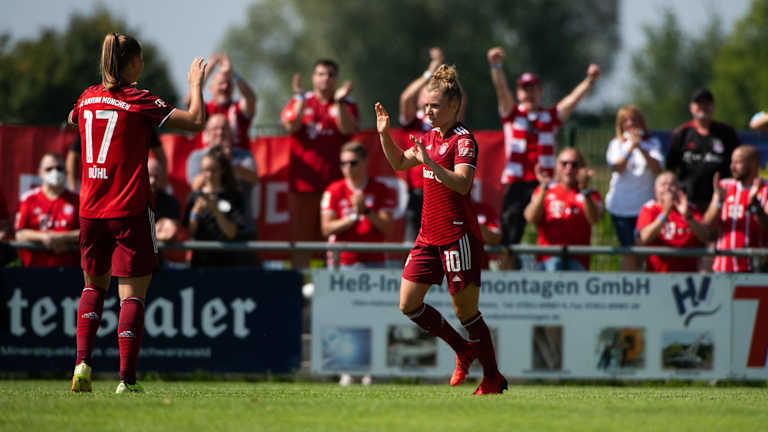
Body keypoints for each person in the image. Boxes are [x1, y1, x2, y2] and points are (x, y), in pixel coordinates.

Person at [67, 33, 207, 393]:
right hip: (128, 209)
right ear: (131, 63)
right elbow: (195, 120)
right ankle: (126, 381)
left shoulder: (87, 96)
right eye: (139, 60)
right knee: (131, 296)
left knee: (92, 288)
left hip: (91, 210)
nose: (142, 66)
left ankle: (82, 364)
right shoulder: (138, 100)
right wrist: (195, 84)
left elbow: (73, 117)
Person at [375, 64, 507, 395]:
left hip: (456, 236)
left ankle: (492, 377)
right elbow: (399, 162)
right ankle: (462, 350)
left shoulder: (463, 141)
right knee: (408, 304)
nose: (428, 111)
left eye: (434, 106)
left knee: (466, 312)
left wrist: (430, 163)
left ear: (454, 106)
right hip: (427, 236)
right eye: (426, 105)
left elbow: (462, 184)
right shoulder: (428, 138)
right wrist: (384, 133)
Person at [487, 46, 600, 269]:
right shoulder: (512, 114)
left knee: (555, 227)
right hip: (517, 182)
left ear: (540, 92)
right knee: (509, 236)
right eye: (524, 89)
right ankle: (506, 278)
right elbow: (501, 91)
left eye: (533, 89)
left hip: (545, 184)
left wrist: (589, 81)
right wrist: (496, 66)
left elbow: (571, 101)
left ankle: (552, 268)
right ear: (519, 93)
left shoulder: (550, 116)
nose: (529, 94)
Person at [281, 59, 359, 269]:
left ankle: (331, 287)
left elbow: (347, 129)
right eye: (321, 74)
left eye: (331, 74)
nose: (326, 78)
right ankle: (298, 288)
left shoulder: (346, 103)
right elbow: (291, 125)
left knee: (333, 241)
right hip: (303, 187)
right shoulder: (300, 100)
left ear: (336, 79)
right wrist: (300, 99)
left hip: (336, 187)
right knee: (301, 243)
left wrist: (340, 103)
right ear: (313, 77)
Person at [605, 105, 664, 270]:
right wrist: (630, 148)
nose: (630, 123)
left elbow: (657, 168)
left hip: (644, 207)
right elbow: (617, 167)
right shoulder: (616, 144)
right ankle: (629, 282)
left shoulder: (652, 143)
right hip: (621, 208)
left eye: (634, 119)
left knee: (644, 249)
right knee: (628, 251)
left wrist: (641, 148)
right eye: (625, 121)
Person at [524, 148, 603, 271]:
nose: (569, 168)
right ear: (557, 166)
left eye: (574, 164)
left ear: (582, 168)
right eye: (564, 163)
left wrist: (585, 190)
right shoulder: (545, 190)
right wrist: (544, 187)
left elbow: (594, 219)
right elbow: (531, 218)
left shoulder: (591, 194)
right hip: (547, 260)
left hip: (578, 261)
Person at [321, 141, 396, 268]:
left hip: (374, 260)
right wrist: (353, 216)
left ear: (365, 162)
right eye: (343, 163)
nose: (348, 167)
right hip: (342, 261)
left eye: (353, 163)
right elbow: (326, 229)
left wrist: (366, 211)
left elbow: (387, 227)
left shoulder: (381, 189)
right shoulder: (333, 190)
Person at [666, 88, 740, 211]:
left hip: (720, 200)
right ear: (691, 107)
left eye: (707, 103)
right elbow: (671, 168)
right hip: (688, 201)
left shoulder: (726, 132)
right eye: (699, 103)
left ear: (713, 107)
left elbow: (737, 164)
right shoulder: (682, 133)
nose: (703, 107)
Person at [186, 113, 259, 236]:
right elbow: (195, 186)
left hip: (242, 228)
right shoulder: (196, 157)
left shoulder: (244, 156)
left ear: (231, 132)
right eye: (215, 129)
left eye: (224, 128)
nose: (220, 133)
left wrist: (229, 161)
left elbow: (254, 179)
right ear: (207, 133)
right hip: (207, 231)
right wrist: (215, 162)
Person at [399, 47, 445, 242]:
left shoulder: (445, 122)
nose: (428, 96)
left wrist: (443, 74)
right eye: (425, 93)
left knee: (441, 244)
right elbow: (405, 97)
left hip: (441, 189)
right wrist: (430, 71)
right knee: (412, 245)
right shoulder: (413, 122)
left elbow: (459, 102)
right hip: (417, 192)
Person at [703, 145, 768, 273]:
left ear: (753, 163)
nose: (732, 167)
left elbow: (767, 226)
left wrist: (754, 204)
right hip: (723, 266)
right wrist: (718, 202)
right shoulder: (724, 186)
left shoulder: (765, 189)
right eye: (732, 162)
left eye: (738, 162)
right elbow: (707, 225)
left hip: (755, 268)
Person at [182, 147, 249, 267]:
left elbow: (231, 233)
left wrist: (217, 212)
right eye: (205, 170)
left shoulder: (234, 196)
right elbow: (190, 233)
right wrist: (194, 213)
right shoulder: (194, 197)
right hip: (199, 263)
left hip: (227, 263)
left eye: (213, 170)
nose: (209, 175)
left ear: (222, 169)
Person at [14, 152, 80, 267]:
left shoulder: (77, 200)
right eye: (49, 169)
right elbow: (19, 234)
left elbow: (86, 233)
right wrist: (45, 237)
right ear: (40, 173)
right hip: (34, 269)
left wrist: (63, 238)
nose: (55, 172)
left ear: (66, 172)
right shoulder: (29, 199)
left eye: (59, 168)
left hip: (69, 270)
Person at [635, 171, 709, 272]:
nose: (667, 188)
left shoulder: (690, 208)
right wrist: (665, 213)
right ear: (655, 190)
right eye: (663, 184)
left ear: (678, 189)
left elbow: (705, 237)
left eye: (672, 184)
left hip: (688, 275)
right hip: (658, 274)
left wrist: (687, 216)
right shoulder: (649, 209)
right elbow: (644, 238)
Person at [185, 53, 256, 149]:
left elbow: (250, 98)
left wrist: (232, 73)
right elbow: (189, 101)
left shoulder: (238, 109)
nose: (225, 87)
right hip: (206, 155)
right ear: (211, 87)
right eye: (221, 83)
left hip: (237, 156)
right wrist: (208, 69)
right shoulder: (204, 109)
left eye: (229, 84)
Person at [66, 129, 166, 192]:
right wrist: (72, 187)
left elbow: (161, 155)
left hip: (129, 188)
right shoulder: (95, 120)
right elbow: (73, 155)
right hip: (97, 186)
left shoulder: (138, 119)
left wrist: (162, 184)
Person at [148, 158, 180, 244]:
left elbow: (170, 233)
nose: (153, 181)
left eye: (156, 176)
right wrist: (156, 231)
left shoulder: (171, 202)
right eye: (149, 175)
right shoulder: (131, 201)